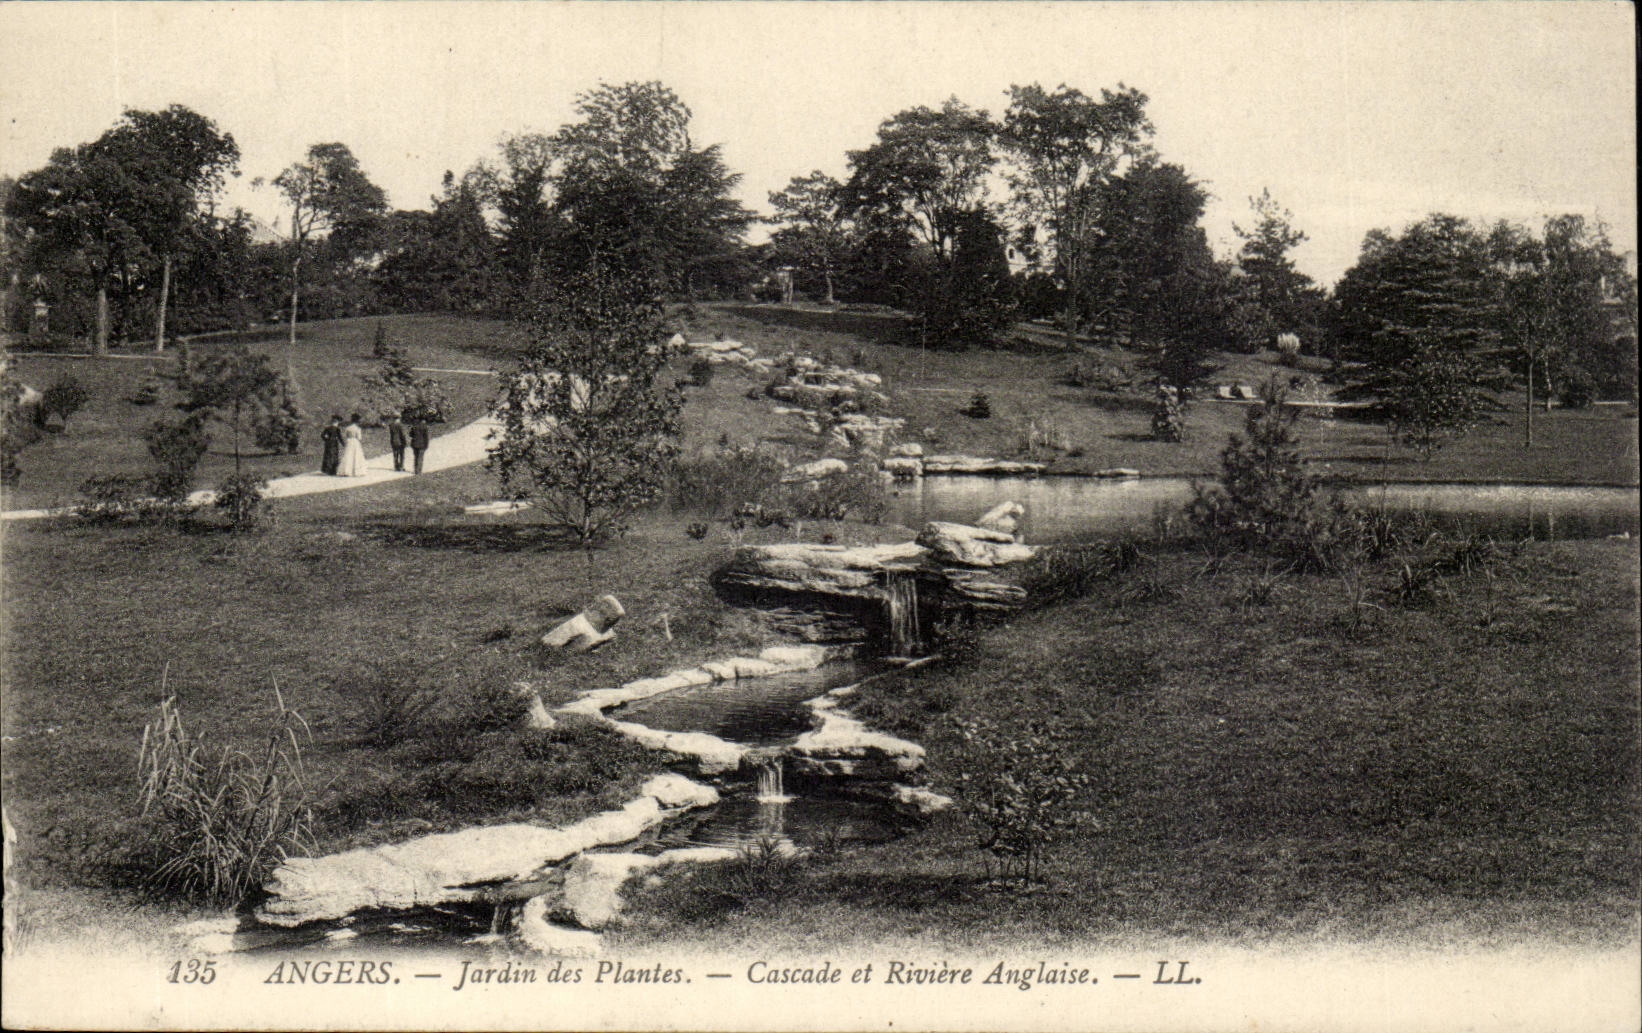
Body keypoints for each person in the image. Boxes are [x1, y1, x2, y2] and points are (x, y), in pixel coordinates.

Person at [338, 412, 368, 477]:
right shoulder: (357, 428)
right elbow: (359, 438)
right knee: (356, 456)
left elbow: (346, 436)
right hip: (355, 442)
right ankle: (357, 471)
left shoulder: (348, 428)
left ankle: (346, 471)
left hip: (349, 442)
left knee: (348, 456)